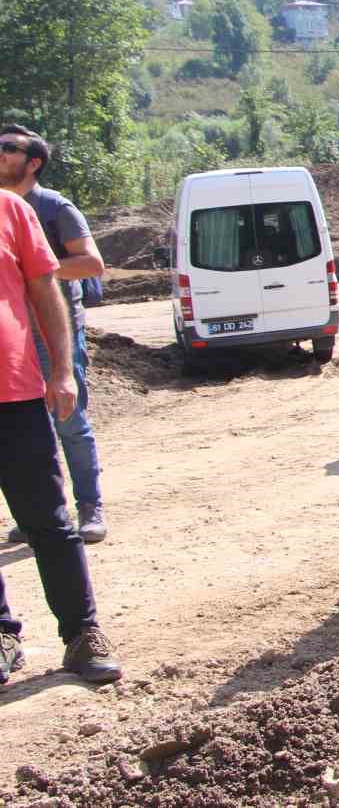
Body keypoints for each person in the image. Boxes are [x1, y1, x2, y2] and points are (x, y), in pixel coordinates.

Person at [0, 187, 122, 686]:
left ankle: (81, 635)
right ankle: (3, 636)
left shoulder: (11, 209)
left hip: (14, 393)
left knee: (49, 522)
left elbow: (44, 287)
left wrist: (63, 371)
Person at [0, 125, 109, 545]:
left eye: (9, 149)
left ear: (34, 163)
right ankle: (39, 514)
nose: (0, 154)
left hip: (53, 333)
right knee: (25, 430)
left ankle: (89, 507)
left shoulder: (54, 207)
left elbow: (92, 263)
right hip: (13, 339)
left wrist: (35, 266)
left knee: (69, 420)